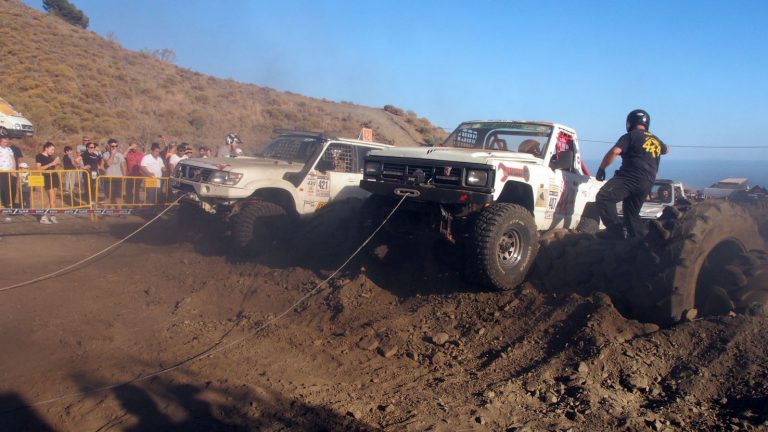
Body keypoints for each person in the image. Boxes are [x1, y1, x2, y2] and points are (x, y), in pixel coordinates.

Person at [595, 109, 669, 239]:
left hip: (630, 176)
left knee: (604, 197)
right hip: (647, 182)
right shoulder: (656, 140)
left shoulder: (630, 136)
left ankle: (615, 231)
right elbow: (666, 149)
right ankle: (639, 242)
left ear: (629, 122)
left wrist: (602, 168)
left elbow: (615, 152)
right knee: (631, 213)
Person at [35, 142, 62, 224]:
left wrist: (58, 163)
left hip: (54, 177)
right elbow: (38, 168)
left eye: (54, 150)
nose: (53, 151)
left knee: (53, 199)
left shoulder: (51, 157)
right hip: (47, 178)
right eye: (52, 149)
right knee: (51, 198)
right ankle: (44, 216)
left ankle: (52, 215)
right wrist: (51, 163)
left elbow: (55, 167)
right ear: (46, 148)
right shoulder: (39, 156)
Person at [103, 138, 127, 206]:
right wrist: (113, 155)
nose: (114, 148)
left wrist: (124, 176)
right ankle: (105, 212)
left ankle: (119, 211)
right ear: (109, 146)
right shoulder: (105, 154)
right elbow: (108, 164)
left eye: (116, 146)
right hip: (109, 178)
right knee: (108, 197)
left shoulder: (120, 155)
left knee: (118, 196)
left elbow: (123, 166)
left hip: (118, 178)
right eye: (112, 146)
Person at [0, 136, 15, 222]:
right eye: (4, 142)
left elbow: (12, 159)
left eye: (7, 142)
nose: (6, 143)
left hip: (8, 173)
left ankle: (7, 212)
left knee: (7, 192)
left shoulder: (9, 149)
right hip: (0, 172)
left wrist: (14, 170)